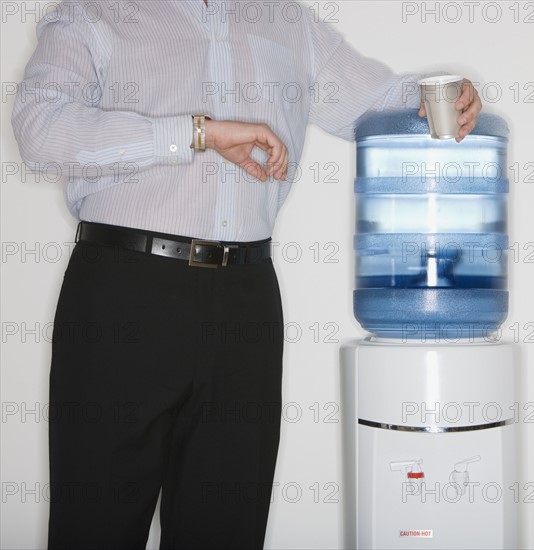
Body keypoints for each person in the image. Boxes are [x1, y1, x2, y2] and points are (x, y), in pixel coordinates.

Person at [11, 1, 482, 548]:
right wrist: (195, 133)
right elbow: (39, 129)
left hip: (245, 303)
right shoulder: (97, 13)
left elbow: (379, 105)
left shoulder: (287, 22)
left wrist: (449, 99)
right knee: (95, 528)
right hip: (123, 296)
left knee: (226, 531)